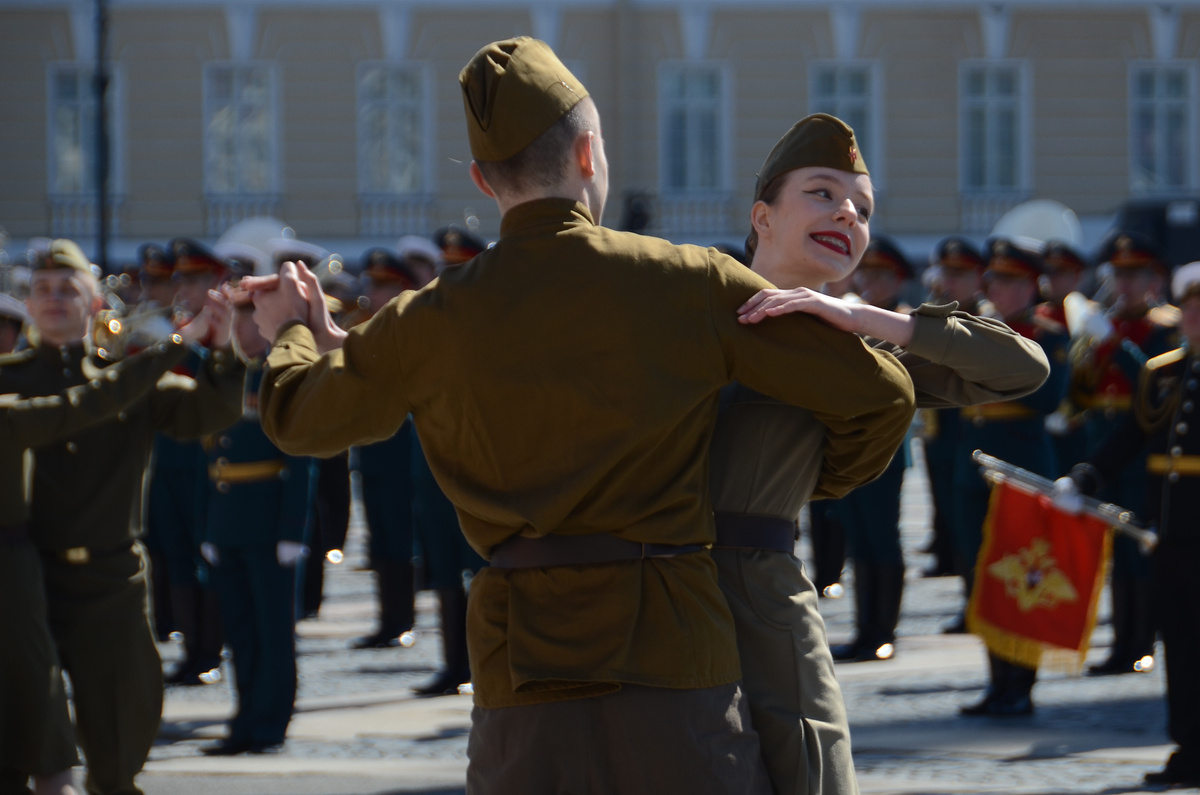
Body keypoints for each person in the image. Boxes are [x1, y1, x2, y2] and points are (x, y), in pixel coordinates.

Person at [246, 38, 915, 794]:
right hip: (673, 651)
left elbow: (299, 417)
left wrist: (293, 332)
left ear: (482, 180)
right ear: (589, 153)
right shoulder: (685, 280)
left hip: (520, 667)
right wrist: (801, 487)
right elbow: (880, 395)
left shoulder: (428, 318)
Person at [706, 115, 1050, 794]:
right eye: (823, 193)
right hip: (653, 589)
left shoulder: (856, 350)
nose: (847, 215)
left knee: (808, 777)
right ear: (762, 216)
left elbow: (1022, 367)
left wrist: (865, 318)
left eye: (861, 209)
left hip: (763, 600)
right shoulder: (688, 306)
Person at [0, 239, 245, 795]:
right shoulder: (7, 379)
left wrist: (225, 351)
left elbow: (206, 412)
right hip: (21, 579)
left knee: (117, 732)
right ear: (28, 305)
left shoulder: (131, 379)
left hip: (107, 578)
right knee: (17, 737)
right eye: (42, 291)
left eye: (69, 290)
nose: (54, 299)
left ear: (94, 305)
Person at [1, 335, 193, 795]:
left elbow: (89, 400)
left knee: (49, 726)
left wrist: (177, 345)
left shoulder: (6, 416)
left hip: (16, 581)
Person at [1056, 260, 1200, 788]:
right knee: (1180, 647)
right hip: (1167, 535)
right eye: (1190, 308)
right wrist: (1086, 478)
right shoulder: (1162, 373)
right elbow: (1129, 440)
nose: (1195, 318)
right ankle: (1189, 749)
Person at [954, 239, 1069, 716]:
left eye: (1011, 282)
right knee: (980, 574)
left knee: (1023, 574)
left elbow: (1047, 399)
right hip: (975, 464)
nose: (1000, 290)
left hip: (1023, 464)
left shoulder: (1049, 335)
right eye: (995, 281)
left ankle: (1022, 683)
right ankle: (997, 680)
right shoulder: (976, 329)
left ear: (1030, 286)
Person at [199, 296, 314, 755]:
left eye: (242, 319)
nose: (235, 328)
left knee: (273, 631)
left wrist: (292, 529)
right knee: (240, 631)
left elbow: (301, 456)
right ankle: (244, 717)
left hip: (268, 525)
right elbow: (204, 457)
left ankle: (270, 722)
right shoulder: (225, 375)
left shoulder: (279, 374)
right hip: (228, 524)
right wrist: (207, 527)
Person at [1071, 230, 1179, 677]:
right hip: (1107, 449)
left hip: (1143, 452)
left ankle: (1143, 641)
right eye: (1120, 274)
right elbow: (1080, 392)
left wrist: (1116, 345)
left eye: (1135, 275)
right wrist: (1090, 356)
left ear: (1155, 279)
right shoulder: (1106, 323)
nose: (1126, 284)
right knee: (1116, 553)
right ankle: (1122, 641)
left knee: (1142, 552)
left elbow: (1156, 386)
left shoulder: (1167, 327)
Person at [828, 237, 915, 664]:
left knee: (883, 537)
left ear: (898, 280)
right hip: (850, 443)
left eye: (881, 276)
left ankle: (885, 631)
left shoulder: (903, 322)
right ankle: (864, 629)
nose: (871, 282)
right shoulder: (849, 314)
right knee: (858, 539)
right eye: (868, 274)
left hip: (885, 446)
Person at [349, 248, 420, 650]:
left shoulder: (411, 326)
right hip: (371, 449)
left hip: (400, 449)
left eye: (379, 286)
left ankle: (402, 619)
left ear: (400, 288)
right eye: (369, 284)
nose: (369, 293)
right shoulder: (366, 327)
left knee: (399, 536)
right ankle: (386, 619)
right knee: (378, 538)